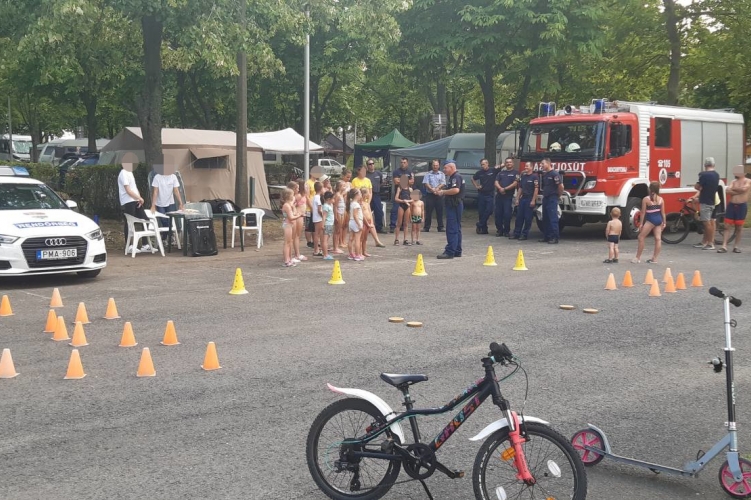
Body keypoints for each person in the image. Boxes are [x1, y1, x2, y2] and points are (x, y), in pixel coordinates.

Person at [118, 152, 151, 254]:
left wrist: (138, 198)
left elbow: (134, 188)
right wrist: (139, 198)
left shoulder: (130, 173)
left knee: (145, 220)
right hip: (128, 201)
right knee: (129, 223)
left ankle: (145, 244)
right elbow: (128, 190)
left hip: (135, 201)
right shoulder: (123, 173)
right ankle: (129, 246)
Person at [150, 160, 184, 245]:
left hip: (170, 202)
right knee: (164, 220)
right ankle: (167, 236)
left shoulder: (173, 177)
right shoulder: (157, 177)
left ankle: (167, 237)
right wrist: (153, 205)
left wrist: (180, 203)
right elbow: (155, 192)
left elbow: (176, 191)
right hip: (159, 203)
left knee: (170, 219)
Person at [718, 165, 751, 253]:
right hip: (731, 205)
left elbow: (744, 189)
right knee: (727, 226)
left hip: (741, 206)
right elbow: (727, 190)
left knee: (739, 227)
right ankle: (724, 246)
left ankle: (736, 246)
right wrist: (738, 191)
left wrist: (733, 190)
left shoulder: (748, 181)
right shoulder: (733, 181)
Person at [632, 181, 665, 263]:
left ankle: (637, 257)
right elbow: (663, 212)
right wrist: (664, 222)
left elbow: (643, 212)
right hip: (659, 219)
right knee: (658, 239)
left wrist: (641, 223)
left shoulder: (646, 199)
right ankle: (654, 258)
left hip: (651, 220)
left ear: (650, 189)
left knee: (641, 237)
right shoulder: (661, 199)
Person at [437, 160, 463, 259]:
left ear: (451, 167)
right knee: (456, 228)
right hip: (455, 204)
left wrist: (443, 192)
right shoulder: (453, 177)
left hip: (454, 204)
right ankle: (457, 250)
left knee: (452, 228)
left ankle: (450, 251)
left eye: (445, 168)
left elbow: (456, 190)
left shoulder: (456, 177)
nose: (444, 170)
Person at [693, 157, 720, 250]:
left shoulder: (703, 175)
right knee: (710, 222)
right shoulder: (716, 175)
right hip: (712, 201)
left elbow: (697, 186)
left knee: (706, 223)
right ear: (713, 164)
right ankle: (706, 242)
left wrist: (698, 187)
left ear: (705, 165)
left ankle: (710, 243)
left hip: (705, 201)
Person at [510, 162, 538, 241]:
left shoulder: (534, 177)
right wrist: (517, 199)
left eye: (527, 166)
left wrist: (533, 200)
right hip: (523, 199)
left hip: (529, 199)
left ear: (531, 167)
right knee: (519, 217)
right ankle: (516, 233)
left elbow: (536, 189)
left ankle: (524, 234)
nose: (525, 167)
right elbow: (520, 188)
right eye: (525, 166)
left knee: (528, 218)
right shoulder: (523, 176)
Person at [539, 158, 563, 244]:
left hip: (552, 198)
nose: (541, 165)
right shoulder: (545, 174)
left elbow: (561, 186)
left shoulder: (554, 174)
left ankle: (554, 237)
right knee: (545, 218)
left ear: (549, 163)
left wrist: (558, 195)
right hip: (545, 198)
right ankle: (547, 236)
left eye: (543, 164)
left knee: (553, 218)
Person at [494, 157, 519, 237]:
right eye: (507, 162)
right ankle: (499, 230)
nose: (508, 164)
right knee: (498, 214)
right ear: (505, 164)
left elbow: (515, 183)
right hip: (499, 196)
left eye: (510, 162)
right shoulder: (501, 173)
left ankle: (506, 231)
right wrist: (500, 188)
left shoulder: (516, 173)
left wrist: (505, 189)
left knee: (507, 214)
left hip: (508, 197)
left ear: (513, 163)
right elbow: (496, 182)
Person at [472, 158, 496, 234]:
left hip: (490, 194)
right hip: (481, 194)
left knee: (489, 210)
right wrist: (476, 186)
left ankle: (480, 224)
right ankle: (483, 229)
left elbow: (500, 167)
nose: (483, 166)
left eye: (484, 164)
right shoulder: (480, 172)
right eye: (481, 164)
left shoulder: (492, 170)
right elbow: (473, 178)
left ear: (487, 164)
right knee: (481, 212)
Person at [281, 188, 303, 267]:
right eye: (293, 195)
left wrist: (294, 207)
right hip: (287, 225)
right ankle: (286, 260)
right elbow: (291, 217)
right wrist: (299, 216)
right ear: (289, 196)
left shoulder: (289, 205)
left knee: (290, 242)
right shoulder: (286, 206)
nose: (294, 196)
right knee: (287, 243)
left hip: (290, 225)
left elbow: (293, 213)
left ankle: (289, 258)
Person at [360, 188, 385, 257]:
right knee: (361, 238)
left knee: (365, 238)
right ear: (364, 194)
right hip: (363, 222)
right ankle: (359, 252)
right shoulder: (361, 204)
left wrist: (371, 222)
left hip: (368, 222)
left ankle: (364, 251)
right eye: (368, 193)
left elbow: (370, 213)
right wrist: (366, 222)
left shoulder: (367, 204)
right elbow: (362, 214)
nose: (369, 194)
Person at [422, 159, 445, 232]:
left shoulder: (442, 174)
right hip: (430, 195)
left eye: (436, 165)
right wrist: (432, 189)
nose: (435, 167)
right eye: (434, 165)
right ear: (432, 166)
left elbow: (443, 183)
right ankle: (426, 227)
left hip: (439, 195)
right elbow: (426, 183)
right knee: (428, 212)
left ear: (439, 166)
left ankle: (440, 227)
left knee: (440, 211)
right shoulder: (428, 174)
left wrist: (437, 189)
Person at [390, 158, 412, 232]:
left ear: (407, 163)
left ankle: (402, 226)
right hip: (398, 193)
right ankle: (392, 226)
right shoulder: (396, 171)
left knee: (405, 210)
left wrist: (400, 180)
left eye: (404, 162)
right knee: (394, 210)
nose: (403, 164)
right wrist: (407, 180)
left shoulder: (410, 171)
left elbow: (412, 182)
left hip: (407, 194)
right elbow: (396, 182)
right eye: (401, 162)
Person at [288, 181, 307, 263]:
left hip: (299, 216)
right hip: (297, 217)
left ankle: (297, 253)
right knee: (295, 236)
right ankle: (296, 254)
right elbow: (291, 205)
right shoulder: (296, 196)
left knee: (297, 236)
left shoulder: (300, 195)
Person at [365, 160, 386, 233]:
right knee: (367, 211)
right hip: (367, 195)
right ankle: (367, 227)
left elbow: (381, 182)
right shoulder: (366, 174)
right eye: (370, 164)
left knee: (379, 211)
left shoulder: (378, 173)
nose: (371, 165)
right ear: (367, 165)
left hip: (376, 194)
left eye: (373, 163)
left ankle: (379, 228)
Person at [394, 175, 412, 245]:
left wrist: (407, 201)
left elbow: (413, 199)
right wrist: (402, 201)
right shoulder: (400, 188)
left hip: (407, 206)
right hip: (401, 206)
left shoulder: (410, 189)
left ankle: (405, 239)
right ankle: (396, 239)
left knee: (406, 223)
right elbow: (396, 198)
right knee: (399, 223)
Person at [347, 188, 364, 261]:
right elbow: (355, 215)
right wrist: (359, 224)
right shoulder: (356, 204)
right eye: (360, 193)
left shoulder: (352, 203)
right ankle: (357, 255)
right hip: (356, 222)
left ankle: (351, 254)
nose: (361, 194)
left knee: (350, 239)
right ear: (356, 195)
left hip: (351, 222)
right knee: (357, 240)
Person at [333, 180, 347, 254]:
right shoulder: (337, 195)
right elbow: (335, 206)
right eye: (343, 186)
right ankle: (335, 247)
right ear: (339, 187)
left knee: (339, 230)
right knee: (337, 230)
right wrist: (335, 216)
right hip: (338, 213)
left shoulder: (341, 194)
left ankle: (337, 246)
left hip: (342, 212)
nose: (345, 187)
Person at [311, 181, 324, 256]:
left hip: (316, 217)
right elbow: (319, 210)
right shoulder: (318, 198)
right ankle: (316, 250)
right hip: (318, 218)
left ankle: (319, 249)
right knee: (317, 234)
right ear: (321, 189)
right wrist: (323, 216)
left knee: (318, 234)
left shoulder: (315, 197)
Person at [322, 191, 335, 260]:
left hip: (330, 224)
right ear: (329, 199)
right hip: (327, 224)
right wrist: (323, 224)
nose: (333, 200)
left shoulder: (329, 205)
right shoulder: (326, 206)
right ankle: (325, 254)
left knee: (326, 240)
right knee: (325, 240)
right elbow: (324, 216)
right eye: (333, 199)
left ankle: (325, 253)